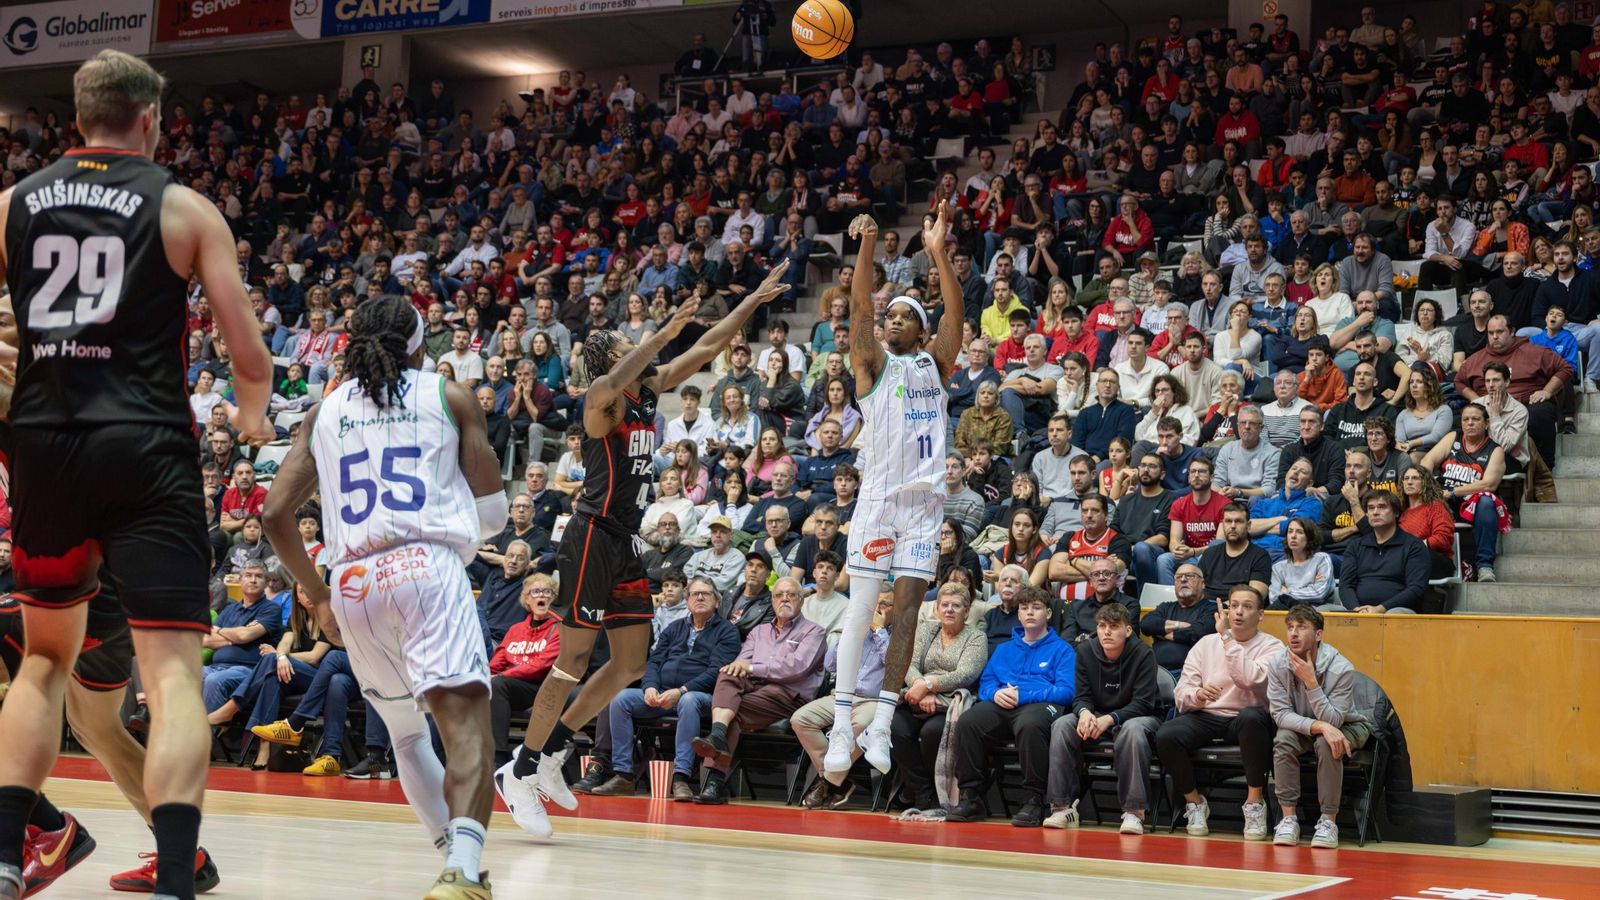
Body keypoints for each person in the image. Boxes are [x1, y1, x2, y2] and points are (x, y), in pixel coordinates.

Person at [0, 50, 274, 900]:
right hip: (148, 444)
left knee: (43, 664)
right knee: (173, 677)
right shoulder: (185, 207)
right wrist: (255, 417)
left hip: (44, 443)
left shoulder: (10, 204)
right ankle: (178, 878)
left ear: (75, 117)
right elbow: (248, 353)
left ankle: (8, 857)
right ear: (150, 118)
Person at [494, 258, 791, 835]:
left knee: (629, 662)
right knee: (574, 661)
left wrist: (752, 301)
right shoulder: (599, 399)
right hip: (588, 537)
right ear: (608, 359)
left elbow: (707, 347)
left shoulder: (647, 390)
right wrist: (661, 330)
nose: (640, 348)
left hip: (624, 540)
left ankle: (550, 754)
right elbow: (632, 362)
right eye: (626, 345)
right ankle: (522, 769)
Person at [262, 295, 505, 899]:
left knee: (405, 736)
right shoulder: (447, 395)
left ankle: (455, 859)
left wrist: (316, 595)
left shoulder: (325, 411)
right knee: (467, 727)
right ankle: (464, 871)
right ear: (420, 344)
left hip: (351, 583)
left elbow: (272, 514)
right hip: (425, 568)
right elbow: (495, 515)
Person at [823, 206, 963, 781]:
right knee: (860, 611)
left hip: (925, 507)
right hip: (879, 500)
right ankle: (840, 723)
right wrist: (868, 248)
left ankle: (881, 722)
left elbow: (956, 310)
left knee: (906, 612)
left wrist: (937, 252)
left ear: (922, 332)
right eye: (890, 316)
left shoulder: (937, 365)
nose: (891, 321)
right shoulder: (871, 367)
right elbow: (860, 307)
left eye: (905, 316)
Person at [589, 578, 740, 801]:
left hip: (700, 697)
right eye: (694, 594)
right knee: (620, 698)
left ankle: (681, 778)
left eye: (706, 594)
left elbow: (716, 672)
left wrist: (681, 690)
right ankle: (623, 775)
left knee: (689, 701)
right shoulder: (673, 628)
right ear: (687, 601)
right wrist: (649, 687)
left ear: (717, 602)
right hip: (661, 694)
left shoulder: (727, 631)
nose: (699, 598)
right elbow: (654, 662)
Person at [1155, 585, 1282, 840]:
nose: (1238, 612)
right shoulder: (1205, 644)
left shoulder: (1273, 647)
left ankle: (1255, 803)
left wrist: (1227, 638)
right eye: (1233, 605)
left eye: (1247, 607)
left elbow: (1249, 679)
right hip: (1208, 715)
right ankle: (1194, 802)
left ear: (1260, 615)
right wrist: (1197, 695)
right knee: (1166, 734)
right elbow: (1182, 692)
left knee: (1252, 717)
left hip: (1248, 720)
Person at [944, 587, 1076, 826]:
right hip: (1003, 703)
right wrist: (995, 694)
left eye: (1036, 608)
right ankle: (971, 797)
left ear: (1047, 613)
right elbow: (986, 684)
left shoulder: (1063, 649)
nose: (1029, 613)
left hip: (1042, 705)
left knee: (1030, 724)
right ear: (1018, 614)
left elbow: (1067, 692)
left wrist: (1023, 695)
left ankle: (1034, 800)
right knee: (969, 721)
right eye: (1024, 608)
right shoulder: (1004, 649)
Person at [690, 577, 825, 804]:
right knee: (728, 673)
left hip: (787, 694)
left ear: (801, 601)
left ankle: (715, 778)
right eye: (779, 595)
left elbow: (797, 668)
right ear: (771, 600)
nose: (784, 599)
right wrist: (740, 666)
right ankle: (718, 736)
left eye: (791, 594)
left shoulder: (814, 632)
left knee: (734, 710)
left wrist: (751, 667)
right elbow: (740, 662)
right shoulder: (759, 631)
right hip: (755, 689)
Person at [1043, 602, 1162, 833]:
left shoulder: (1143, 653)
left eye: (1114, 626)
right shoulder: (1085, 651)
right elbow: (1081, 696)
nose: (1106, 632)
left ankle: (1134, 812)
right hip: (1096, 715)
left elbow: (1144, 702)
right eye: (1102, 626)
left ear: (1128, 630)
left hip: (1138, 716)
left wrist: (1110, 718)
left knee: (1133, 731)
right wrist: (1084, 712)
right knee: (1062, 724)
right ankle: (1061, 807)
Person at [1268, 605, 1371, 850]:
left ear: (1318, 635)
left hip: (1349, 725)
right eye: (1290, 627)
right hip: (1306, 726)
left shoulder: (1341, 667)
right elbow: (1280, 715)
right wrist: (1319, 726)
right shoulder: (1277, 664)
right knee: (1283, 738)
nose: (1293, 634)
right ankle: (1288, 819)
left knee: (1328, 743)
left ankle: (1328, 821)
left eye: (1302, 627)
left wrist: (1311, 682)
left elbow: (1336, 720)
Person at [889, 583, 988, 810]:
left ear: (967, 611)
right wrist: (919, 687)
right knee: (895, 727)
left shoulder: (976, 637)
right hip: (917, 696)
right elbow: (909, 664)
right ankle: (921, 789)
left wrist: (928, 685)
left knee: (932, 732)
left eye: (956, 605)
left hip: (951, 700)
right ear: (937, 609)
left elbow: (965, 674)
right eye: (945, 605)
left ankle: (935, 790)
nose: (949, 610)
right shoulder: (925, 630)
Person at [795, 591, 895, 809]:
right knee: (800, 719)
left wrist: (879, 631)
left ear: (896, 610)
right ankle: (830, 779)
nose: (879, 610)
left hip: (873, 701)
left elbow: (894, 667)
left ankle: (826, 784)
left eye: (886, 605)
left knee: (857, 726)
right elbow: (830, 665)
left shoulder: (899, 635)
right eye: (875, 604)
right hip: (841, 697)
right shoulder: (856, 631)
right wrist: (851, 632)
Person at [1337, 489, 1430, 613]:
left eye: (1382, 507)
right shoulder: (1356, 546)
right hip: (1359, 611)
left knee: (1394, 614)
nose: (1375, 512)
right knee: (1323, 611)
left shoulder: (1414, 546)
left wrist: (1381, 608)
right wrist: (1356, 609)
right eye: (1371, 508)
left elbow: (1416, 588)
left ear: (1396, 512)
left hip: (1397, 611)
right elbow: (1345, 585)